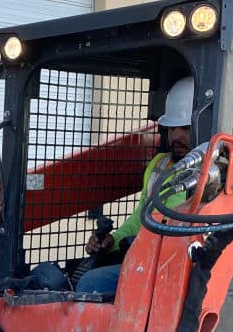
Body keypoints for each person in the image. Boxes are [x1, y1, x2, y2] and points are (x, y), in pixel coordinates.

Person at [75, 77, 195, 296]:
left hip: (181, 267)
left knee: (91, 283)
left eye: (185, 128)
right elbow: (139, 218)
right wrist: (112, 241)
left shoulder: (216, 172)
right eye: (172, 128)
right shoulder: (159, 165)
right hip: (148, 259)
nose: (177, 135)